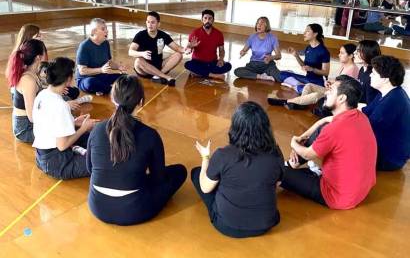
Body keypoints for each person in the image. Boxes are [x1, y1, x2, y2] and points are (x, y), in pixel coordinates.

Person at [87, 75, 187, 225]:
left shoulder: (97, 129)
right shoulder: (150, 135)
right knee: (179, 171)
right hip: (134, 211)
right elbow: (158, 178)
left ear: (113, 99)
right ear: (140, 102)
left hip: (97, 206)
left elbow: (90, 169)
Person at [281, 75, 377, 210]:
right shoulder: (359, 116)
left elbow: (308, 154)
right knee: (321, 128)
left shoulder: (335, 129)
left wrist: (293, 142)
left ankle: (291, 166)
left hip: (338, 196)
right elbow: (326, 121)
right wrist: (319, 123)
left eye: (330, 90)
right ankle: (294, 164)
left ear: (342, 98)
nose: (326, 92)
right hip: (360, 190)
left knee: (275, 171)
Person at [192, 101, 284, 238]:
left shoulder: (223, 155)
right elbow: (277, 183)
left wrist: (205, 157)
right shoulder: (276, 153)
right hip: (265, 224)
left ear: (235, 127)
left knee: (196, 173)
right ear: (265, 127)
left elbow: (205, 188)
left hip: (228, 226)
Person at [33, 58, 98, 179]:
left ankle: (78, 150)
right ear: (68, 79)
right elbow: (62, 146)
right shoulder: (60, 105)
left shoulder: (42, 95)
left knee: (93, 139)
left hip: (42, 155)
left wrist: (74, 122)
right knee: (102, 162)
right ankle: (78, 151)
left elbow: (50, 123)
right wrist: (84, 128)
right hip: (58, 162)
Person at [268, 43, 358, 110]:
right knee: (308, 86)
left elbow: (346, 89)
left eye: (342, 53)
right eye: (339, 52)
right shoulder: (343, 65)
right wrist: (329, 82)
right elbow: (337, 80)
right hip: (331, 89)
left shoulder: (353, 69)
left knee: (315, 95)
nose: (339, 55)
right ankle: (301, 104)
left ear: (350, 56)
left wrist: (331, 86)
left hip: (337, 95)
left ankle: (287, 101)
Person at [362, 56, 410, 171]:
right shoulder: (387, 92)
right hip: (382, 148)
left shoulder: (393, 101)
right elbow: (366, 111)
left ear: (385, 78)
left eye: (373, 73)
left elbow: (366, 129)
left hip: (389, 158)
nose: (370, 75)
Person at [6, 39, 47, 143]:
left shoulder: (32, 73)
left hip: (31, 123)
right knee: (62, 130)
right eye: (44, 53)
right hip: (25, 129)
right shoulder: (28, 80)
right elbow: (32, 117)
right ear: (38, 57)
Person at [129, 11, 184, 86]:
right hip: (144, 69)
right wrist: (142, 53)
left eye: (152, 22)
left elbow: (177, 48)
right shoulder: (140, 35)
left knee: (179, 55)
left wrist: (187, 48)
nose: (150, 25)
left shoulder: (163, 35)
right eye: (148, 22)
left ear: (158, 24)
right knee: (138, 61)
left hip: (159, 66)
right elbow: (130, 51)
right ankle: (165, 76)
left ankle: (157, 76)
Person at [76, 18, 126, 95]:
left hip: (102, 76)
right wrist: (101, 70)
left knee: (125, 78)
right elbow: (82, 71)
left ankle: (105, 88)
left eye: (106, 28)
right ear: (94, 31)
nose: (107, 31)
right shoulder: (84, 46)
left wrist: (118, 67)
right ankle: (113, 90)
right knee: (90, 83)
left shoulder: (105, 43)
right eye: (103, 29)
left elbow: (109, 62)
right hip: (86, 79)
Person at [278, 23, 330, 93]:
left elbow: (326, 73)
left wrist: (312, 69)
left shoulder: (323, 51)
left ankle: (296, 86)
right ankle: (298, 86)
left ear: (315, 34)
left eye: (307, 31)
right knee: (281, 74)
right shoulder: (308, 48)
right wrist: (296, 55)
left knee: (303, 90)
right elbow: (304, 66)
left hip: (318, 82)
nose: (304, 33)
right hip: (307, 79)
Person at [184, 10, 232, 79]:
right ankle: (213, 75)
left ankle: (199, 73)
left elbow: (221, 50)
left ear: (213, 20)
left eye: (210, 18)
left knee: (228, 65)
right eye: (205, 18)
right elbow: (188, 48)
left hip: (212, 63)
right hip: (197, 62)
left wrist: (221, 59)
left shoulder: (219, 34)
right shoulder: (195, 32)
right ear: (201, 19)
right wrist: (191, 47)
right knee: (187, 64)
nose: (207, 20)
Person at [234, 17, 281, 82]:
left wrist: (271, 57)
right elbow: (243, 50)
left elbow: (279, 56)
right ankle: (261, 76)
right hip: (253, 65)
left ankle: (258, 75)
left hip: (267, 65)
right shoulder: (252, 37)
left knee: (279, 77)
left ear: (267, 25)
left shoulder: (273, 38)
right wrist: (242, 52)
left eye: (262, 23)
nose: (259, 25)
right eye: (258, 23)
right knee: (237, 71)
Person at [355, 40, 381, 105]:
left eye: (358, 51)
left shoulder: (373, 75)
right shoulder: (362, 69)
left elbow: (370, 104)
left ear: (367, 53)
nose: (354, 53)